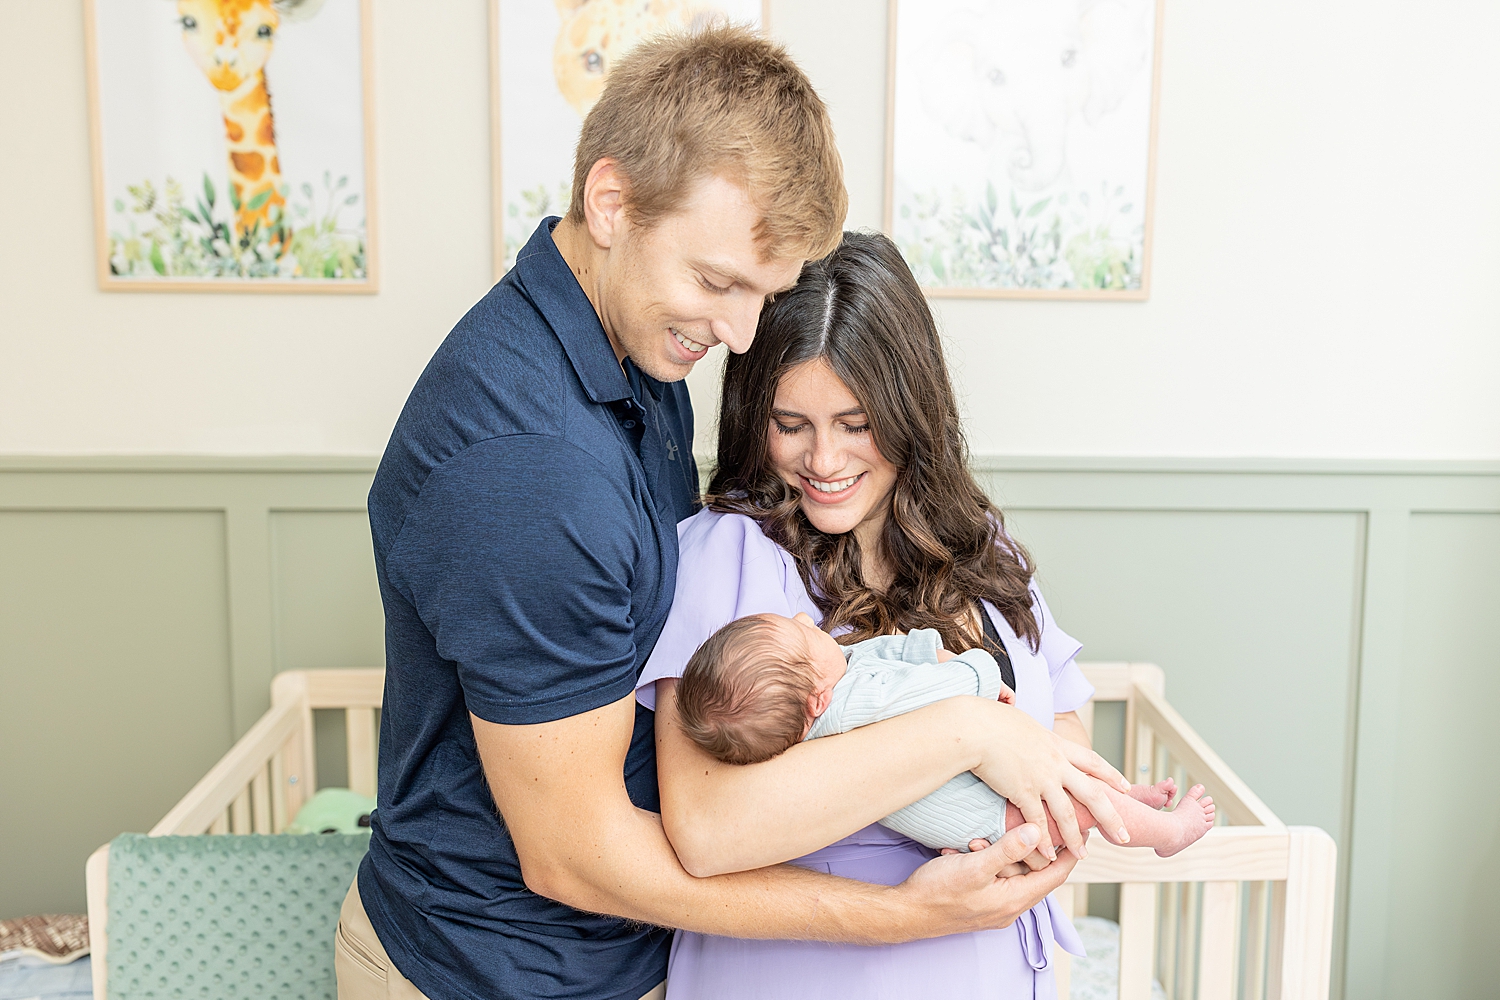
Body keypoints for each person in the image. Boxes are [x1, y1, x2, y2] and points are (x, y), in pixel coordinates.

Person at [337, 27, 1129, 1000]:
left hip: (612, 953)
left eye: (763, 292)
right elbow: (574, 855)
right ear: (611, 202)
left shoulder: (637, 346)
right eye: (718, 283)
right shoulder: (529, 468)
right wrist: (908, 907)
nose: (742, 334)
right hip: (499, 971)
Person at [639, 230, 1130, 999]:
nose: (824, 462)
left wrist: (1039, 813)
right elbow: (708, 829)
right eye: (790, 424)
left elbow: (1060, 724)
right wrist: (968, 732)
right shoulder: (728, 554)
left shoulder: (978, 545)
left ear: (911, 409)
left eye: (856, 423)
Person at [677, 612, 1216, 857]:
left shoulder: (827, 695)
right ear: (817, 700)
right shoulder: (853, 703)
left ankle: (1130, 800)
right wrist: (981, 673)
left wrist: (920, 649)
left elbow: (881, 655)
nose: (803, 616)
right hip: (988, 817)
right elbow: (935, 697)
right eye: (799, 633)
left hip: (977, 801)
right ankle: (1165, 835)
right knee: (1072, 806)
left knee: (1075, 787)